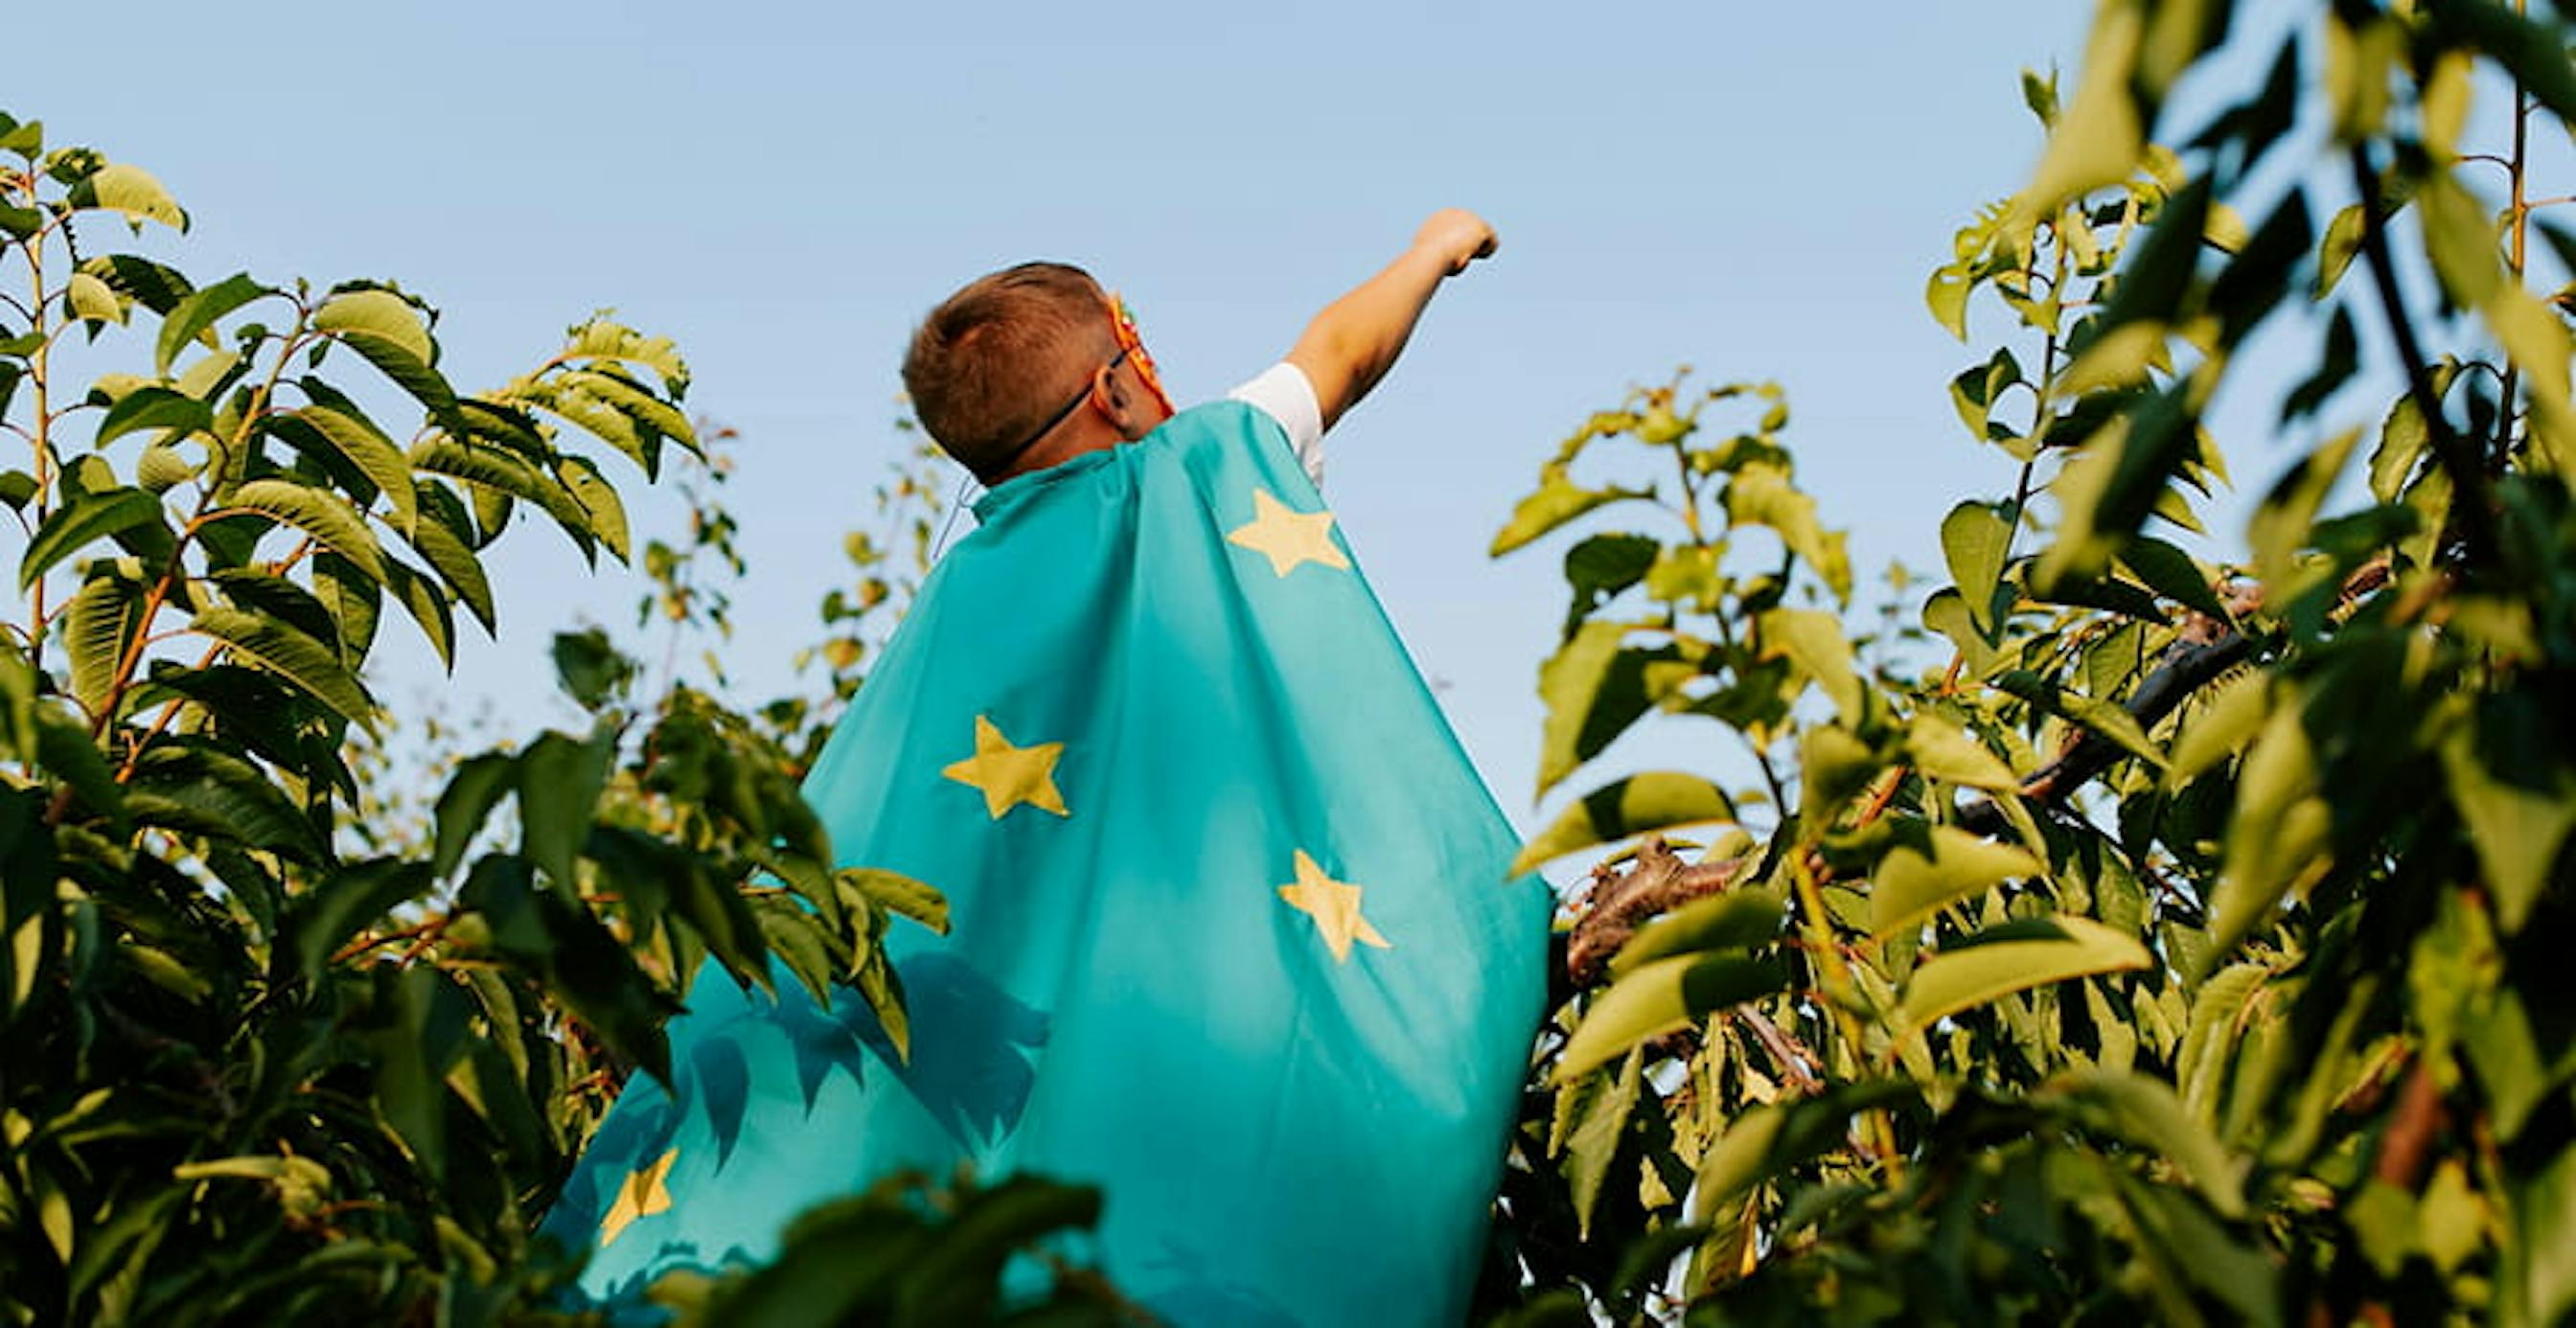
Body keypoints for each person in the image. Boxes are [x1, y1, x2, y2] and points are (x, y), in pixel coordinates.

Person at [544, 210, 1549, 1326]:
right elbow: (1340, 352)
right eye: (1143, 353)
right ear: (1117, 385)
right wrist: (1433, 251)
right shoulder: (1205, 470)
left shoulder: (957, 606)